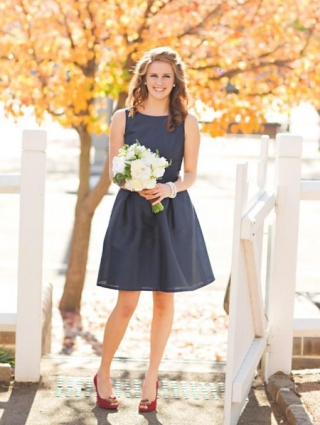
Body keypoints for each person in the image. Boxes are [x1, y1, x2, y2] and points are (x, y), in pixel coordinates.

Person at [94, 46, 215, 413]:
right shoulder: (123, 118)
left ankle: (151, 377)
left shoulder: (187, 122)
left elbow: (191, 173)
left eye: (166, 76)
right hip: (132, 213)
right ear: (142, 79)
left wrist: (169, 188)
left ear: (175, 80)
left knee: (164, 300)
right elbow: (114, 169)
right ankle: (103, 373)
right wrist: (134, 182)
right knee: (127, 302)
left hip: (171, 214)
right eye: (153, 76)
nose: (160, 82)